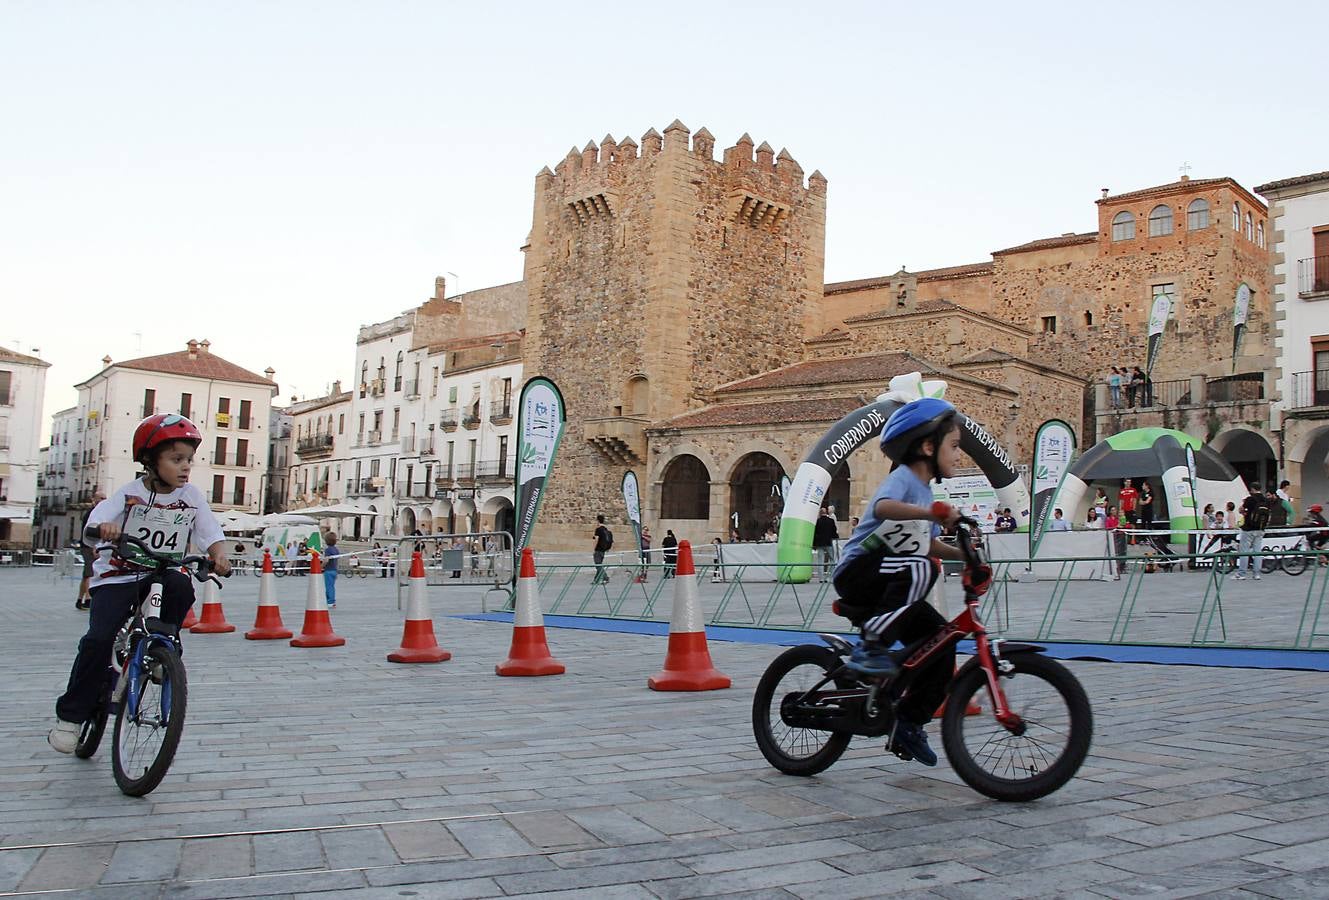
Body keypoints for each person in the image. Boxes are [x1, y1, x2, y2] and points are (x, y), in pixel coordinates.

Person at [49, 414, 231, 754]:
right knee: (99, 639)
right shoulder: (128, 493)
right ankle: (70, 718)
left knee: (182, 587)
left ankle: (165, 648)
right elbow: (101, 517)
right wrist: (105, 528)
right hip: (119, 577)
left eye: (188, 460)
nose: (185, 467)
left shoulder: (191, 497)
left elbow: (209, 532)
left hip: (162, 572)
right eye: (176, 459)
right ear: (150, 461)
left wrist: (219, 555)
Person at [832, 397, 986, 768]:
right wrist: (931, 512)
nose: (957, 456)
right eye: (953, 446)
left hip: (893, 582)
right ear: (927, 447)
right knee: (923, 568)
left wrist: (966, 555)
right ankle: (871, 645)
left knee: (942, 642)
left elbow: (926, 541)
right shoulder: (903, 479)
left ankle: (908, 723)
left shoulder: (927, 493)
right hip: (860, 573)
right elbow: (884, 508)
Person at [74, 489, 107, 610]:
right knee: (90, 574)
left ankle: (79, 599)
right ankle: (88, 600)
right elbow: (90, 532)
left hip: (87, 546)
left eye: (105, 498)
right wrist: (95, 547)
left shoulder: (94, 512)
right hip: (88, 546)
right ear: (94, 499)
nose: (104, 501)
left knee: (86, 574)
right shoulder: (93, 513)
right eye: (101, 498)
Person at [1233, 482, 1270, 580]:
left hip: (1249, 528)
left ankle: (1242, 573)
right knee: (1257, 551)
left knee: (1244, 551)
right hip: (1261, 529)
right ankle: (1256, 574)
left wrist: (1245, 512)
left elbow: (1241, 510)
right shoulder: (1265, 499)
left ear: (1252, 489)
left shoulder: (1250, 499)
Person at [813, 505, 839, 582]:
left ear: (820, 513)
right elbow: (834, 532)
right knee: (832, 559)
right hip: (829, 542)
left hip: (820, 543)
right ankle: (829, 577)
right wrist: (836, 538)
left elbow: (815, 533)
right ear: (826, 512)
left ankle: (821, 578)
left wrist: (814, 544)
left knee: (820, 560)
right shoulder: (831, 521)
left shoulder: (818, 521)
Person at [592, 514, 613, 584]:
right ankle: (596, 580)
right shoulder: (605, 530)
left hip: (598, 550)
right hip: (603, 550)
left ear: (598, 520)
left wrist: (594, 549)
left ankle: (605, 577)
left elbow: (597, 539)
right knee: (599, 565)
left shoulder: (598, 529)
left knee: (598, 565)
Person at [323, 531, 340, 608]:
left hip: (328, 570)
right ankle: (328, 600)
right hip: (334, 570)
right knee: (331, 586)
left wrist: (320, 566)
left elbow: (326, 560)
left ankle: (331, 601)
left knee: (329, 586)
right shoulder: (336, 550)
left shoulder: (328, 550)